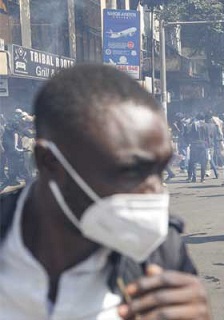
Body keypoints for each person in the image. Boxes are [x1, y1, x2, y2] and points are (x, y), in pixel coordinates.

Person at [0, 64, 210, 319]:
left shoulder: (163, 253)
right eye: (131, 171)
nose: (155, 191)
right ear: (50, 162)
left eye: (160, 170)